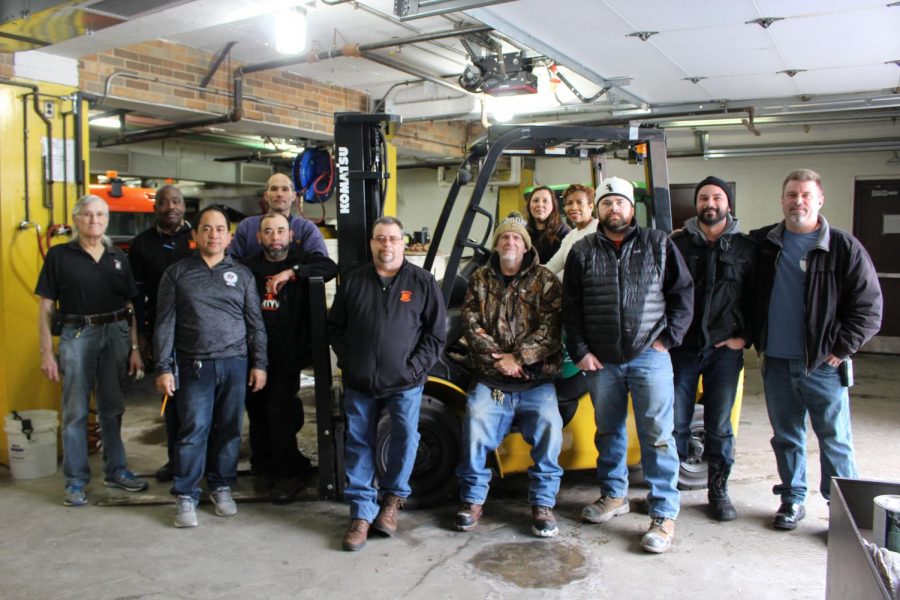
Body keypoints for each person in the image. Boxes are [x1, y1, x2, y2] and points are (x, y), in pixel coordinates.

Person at [562, 176, 693, 554]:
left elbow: (682, 293)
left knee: (658, 434)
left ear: (631, 209)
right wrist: (581, 350)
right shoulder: (583, 250)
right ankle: (614, 496)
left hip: (650, 356)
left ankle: (664, 513)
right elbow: (571, 308)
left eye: (619, 202)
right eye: (606, 203)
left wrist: (668, 339)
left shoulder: (658, 243)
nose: (613, 209)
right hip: (602, 360)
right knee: (608, 431)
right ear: (598, 210)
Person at [750, 169, 882, 530]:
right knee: (786, 437)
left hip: (823, 365)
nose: (799, 201)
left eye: (806, 195)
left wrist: (842, 347)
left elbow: (870, 309)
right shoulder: (765, 244)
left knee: (835, 439)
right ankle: (792, 500)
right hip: (776, 362)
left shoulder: (843, 246)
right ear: (782, 200)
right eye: (792, 194)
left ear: (820, 200)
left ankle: (844, 514)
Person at [328, 216, 446, 551]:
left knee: (405, 438)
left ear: (403, 242)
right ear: (372, 244)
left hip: (405, 383)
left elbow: (436, 335)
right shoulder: (353, 281)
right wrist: (350, 361)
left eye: (393, 238)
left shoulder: (422, 282)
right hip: (360, 380)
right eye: (380, 239)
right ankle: (362, 514)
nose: (387, 245)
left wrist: (414, 369)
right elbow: (334, 327)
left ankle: (392, 501)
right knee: (358, 443)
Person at [154, 206, 268, 528]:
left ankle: (221, 487)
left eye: (220, 229)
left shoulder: (243, 275)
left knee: (230, 431)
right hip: (193, 366)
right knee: (193, 432)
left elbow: (255, 324)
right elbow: (164, 325)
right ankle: (186, 495)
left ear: (229, 237)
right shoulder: (176, 274)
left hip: (235, 364)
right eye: (206, 228)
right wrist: (163, 368)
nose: (213, 234)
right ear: (195, 235)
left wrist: (259, 363)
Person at [454, 212, 564, 537]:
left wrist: (519, 358)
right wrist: (499, 360)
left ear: (526, 246)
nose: (510, 241)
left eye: (516, 237)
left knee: (549, 427)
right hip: (495, 382)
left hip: (535, 382)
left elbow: (552, 329)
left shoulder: (545, 281)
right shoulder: (479, 280)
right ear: (497, 244)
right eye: (504, 237)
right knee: (475, 420)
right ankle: (473, 499)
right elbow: (471, 324)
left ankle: (543, 503)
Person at [36, 194, 148, 506]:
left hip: (116, 334)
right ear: (76, 219)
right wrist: (47, 352)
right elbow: (46, 307)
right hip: (77, 334)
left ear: (107, 220)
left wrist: (135, 346)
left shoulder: (116, 257)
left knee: (113, 408)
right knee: (75, 411)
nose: (94, 220)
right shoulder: (60, 256)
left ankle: (117, 470)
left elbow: (130, 305)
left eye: (100, 215)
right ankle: (75, 482)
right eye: (87, 214)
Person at [670, 176, 757, 521]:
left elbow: (757, 298)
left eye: (717, 197)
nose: (710, 203)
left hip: (725, 350)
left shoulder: (746, 248)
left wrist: (744, 337)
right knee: (674, 422)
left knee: (719, 424)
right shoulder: (677, 244)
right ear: (697, 204)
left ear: (728, 204)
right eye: (704, 197)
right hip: (683, 348)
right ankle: (668, 491)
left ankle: (718, 492)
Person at [242, 212, 337, 503]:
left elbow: (329, 266)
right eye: (268, 232)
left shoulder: (302, 259)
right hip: (254, 355)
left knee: (279, 412)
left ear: (290, 235)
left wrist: (292, 272)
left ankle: (288, 474)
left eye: (280, 231)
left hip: (287, 354)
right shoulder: (249, 267)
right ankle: (264, 466)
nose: (275, 237)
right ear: (259, 237)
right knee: (257, 412)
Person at [127, 184, 194, 482]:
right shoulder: (141, 245)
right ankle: (175, 460)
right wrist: (141, 337)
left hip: (200, 332)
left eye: (176, 201)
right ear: (156, 207)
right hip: (162, 333)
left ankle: (205, 460)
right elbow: (136, 297)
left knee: (203, 400)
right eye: (164, 202)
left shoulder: (197, 238)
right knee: (173, 399)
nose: (171, 207)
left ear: (184, 206)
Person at [228, 172, 328, 259]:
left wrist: (294, 272)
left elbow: (322, 264)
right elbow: (232, 262)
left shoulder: (306, 229)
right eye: (274, 189)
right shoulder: (247, 227)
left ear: (293, 196)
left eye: (285, 189)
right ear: (266, 196)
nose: (279, 194)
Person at [542, 184, 598, 279]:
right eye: (569, 203)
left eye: (580, 202)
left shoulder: (599, 229)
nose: (574, 207)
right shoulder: (570, 236)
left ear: (591, 207)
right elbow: (553, 266)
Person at [525, 186, 570, 264]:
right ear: (529, 205)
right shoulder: (523, 233)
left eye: (545, 201)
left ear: (553, 206)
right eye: (535, 200)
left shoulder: (564, 232)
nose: (540, 204)